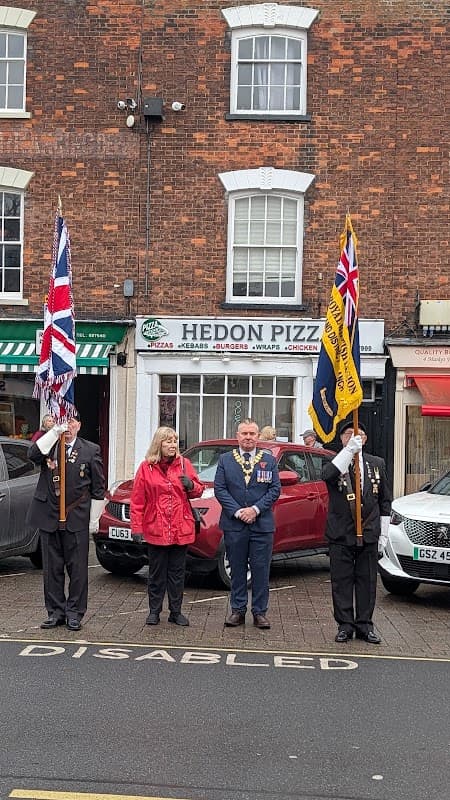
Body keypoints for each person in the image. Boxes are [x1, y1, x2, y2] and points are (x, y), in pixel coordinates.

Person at [28, 410, 105, 631]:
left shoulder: (90, 450)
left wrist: (94, 518)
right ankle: (55, 612)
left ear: (79, 425)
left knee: (78, 570)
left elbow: (98, 488)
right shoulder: (49, 445)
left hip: (76, 518)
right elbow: (32, 454)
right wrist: (53, 433)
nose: (68, 427)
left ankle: (75, 613)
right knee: (51, 569)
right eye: (64, 422)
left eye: (71, 422)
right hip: (49, 515)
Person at [322, 420, 392, 645]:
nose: (354, 437)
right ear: (341, 438)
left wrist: (384, 534)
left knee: (367, 581)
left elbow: (385, 500)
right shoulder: (336, 461)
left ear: (366, 439)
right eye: (349, 434)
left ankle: (364, 625)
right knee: (341, 581)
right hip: (341, 532)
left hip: (369, 532)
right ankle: (344, 625)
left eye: (359, 435)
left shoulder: (376, 463)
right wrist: (348, 450)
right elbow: (328, 475)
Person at [130, 426, 204, 627]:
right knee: (156, 572)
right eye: (168, 441)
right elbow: (137, 501)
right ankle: (154, 611)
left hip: (180, 526)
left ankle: (176, 611)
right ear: (159, 444)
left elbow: (198, 491)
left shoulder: (184, 464)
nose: (173, 445)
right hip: (156, 527)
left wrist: (191, 485)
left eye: (174, 441)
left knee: (177, 573)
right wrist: (136, 528)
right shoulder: (147, 467)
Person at [214, 418, 281, 629]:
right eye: (244, 433)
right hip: (235, 525)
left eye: (252, 433)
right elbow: (220, 489)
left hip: (261, 525)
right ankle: (237, 610)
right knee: (237, 569)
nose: (248, 437)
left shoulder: (269, 461)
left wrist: (255, 509)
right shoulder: (225, 460)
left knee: (261, 570)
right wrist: (237, 512)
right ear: (237, 436)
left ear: (258, 436)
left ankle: (260, 612)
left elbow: (274, 489)